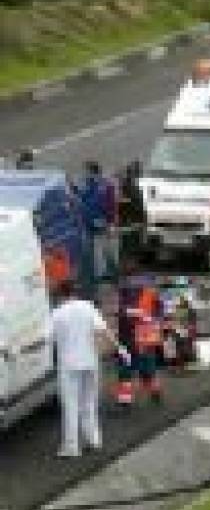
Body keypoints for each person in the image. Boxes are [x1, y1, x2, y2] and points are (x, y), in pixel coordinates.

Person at [50, 279, 129, 458]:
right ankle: (93, 440)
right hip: (90, 362)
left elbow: (45, 338)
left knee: (70, 405)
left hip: (69, 365)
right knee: (89, 402)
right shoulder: (88, 307)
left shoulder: (57, 313)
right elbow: (104, 330)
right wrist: (120, 348)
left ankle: (71, 447)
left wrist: (18, 349)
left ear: (60, 295)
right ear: (74, 292)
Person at [115, 261, 163, 405]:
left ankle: (125, 400)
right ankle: (155, 392)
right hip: (147, 334)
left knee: (126, 366)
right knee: (148, 364)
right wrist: (152, 320)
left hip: (129, 334)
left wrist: (127, 313)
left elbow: (122, 311)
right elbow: (159, 310)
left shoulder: (126, 288)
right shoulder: (150, 288)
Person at [78, 161, 119, 289]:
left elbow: (111, 205)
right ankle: (94, 276)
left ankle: (113, 274)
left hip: (101, 222)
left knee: (106, 249)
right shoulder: (88, 184)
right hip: (88, 222)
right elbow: (83, 199)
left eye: (86, 171)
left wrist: (111, 223)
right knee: (91, 250)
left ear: (92, 171)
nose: (84, 173)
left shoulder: (106, 185)